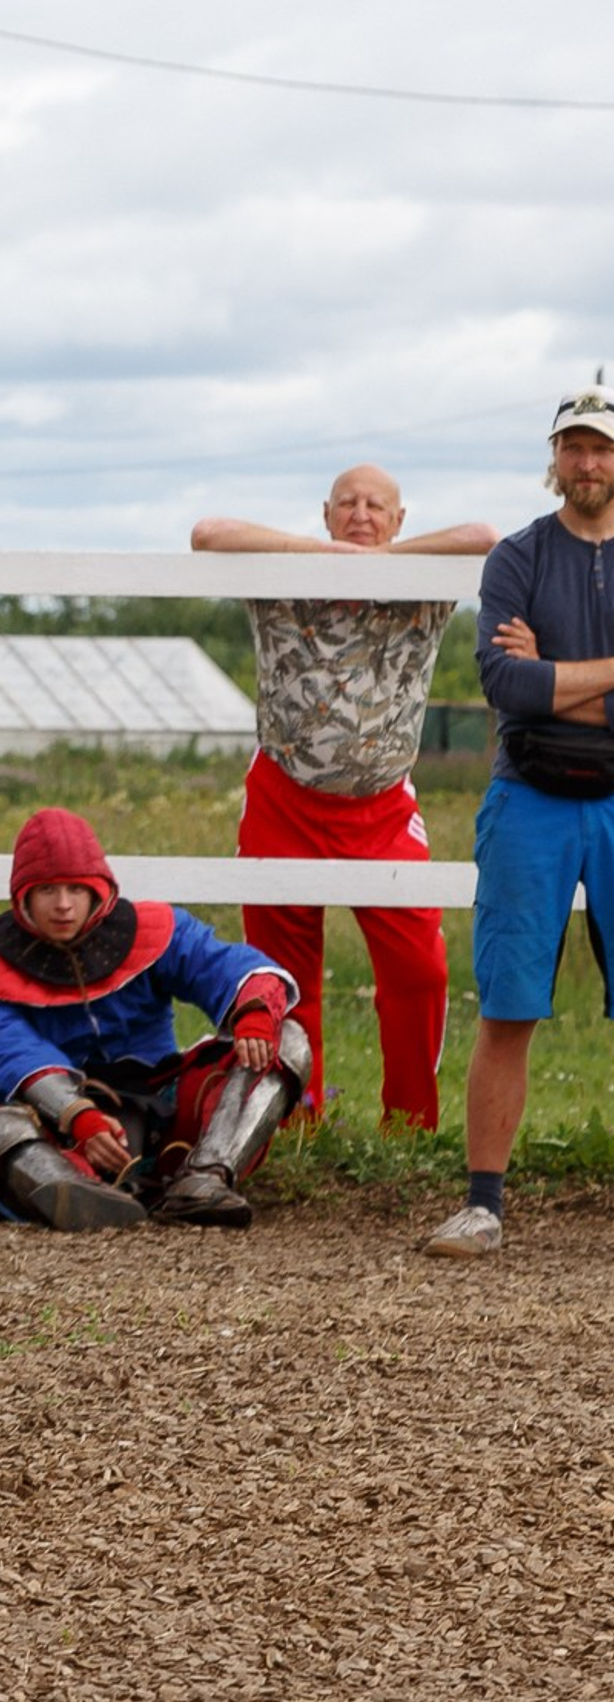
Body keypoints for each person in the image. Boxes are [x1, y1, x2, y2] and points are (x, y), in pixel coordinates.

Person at [191, 467, 496, 1129]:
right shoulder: (281, 578)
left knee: (419, 969)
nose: (361, 514)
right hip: (283, 799)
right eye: (348, 505)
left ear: (399, 518)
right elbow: (208, 533)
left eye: (376, 506)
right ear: (325, 514)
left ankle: (410, 1121)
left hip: (382, 807)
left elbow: (483, 536)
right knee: (284, 975)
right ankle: (297, 1119)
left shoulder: (425, 588)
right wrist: (330, 560)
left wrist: (380, 566)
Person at [0, 808, 308, 1230]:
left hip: (162, 1107)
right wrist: (77, 1114)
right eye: (48, 890)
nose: (63, 905)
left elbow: (223, 966)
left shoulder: (157, 929)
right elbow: (11, 1054)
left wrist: (251, 1010)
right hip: (63, 1127)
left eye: (76, 889)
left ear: (98, 889)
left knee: (286, 1039)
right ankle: (80, 1195)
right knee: (1, 1127)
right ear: (23, 897)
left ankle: (205, 1179)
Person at [427, 389, 614, 1257]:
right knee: (509, 1006)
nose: (589, 464)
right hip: (529, 796)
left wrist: (561, 682)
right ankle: (484, 1205)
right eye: (574, 447)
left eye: (603, 448)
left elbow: (544, 689)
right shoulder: (516, 559)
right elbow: (508, 692)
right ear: (555, 458)